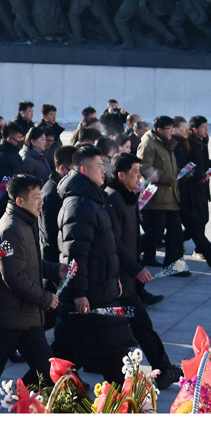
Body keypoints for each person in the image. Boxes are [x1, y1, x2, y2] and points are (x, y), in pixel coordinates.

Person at [0, 174, 61, 413]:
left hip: (25, 316)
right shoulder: (10, 229)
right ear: (19, 201)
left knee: (47, 370)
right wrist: (45, 298)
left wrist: (55, 269)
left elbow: (30, 262)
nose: (41, 202)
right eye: (36, 198)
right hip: (9, 316)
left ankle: (58, 409)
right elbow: (14, 277)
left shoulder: (24, 222)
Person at [52, 145, 137, 384]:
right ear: (83, 170)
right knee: (65, 359)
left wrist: (115, 277)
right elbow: (75, 253)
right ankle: (26, 397)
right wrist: (79, 293)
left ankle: (123, 405)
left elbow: (104, 248)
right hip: (89, 298)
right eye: (99, 166)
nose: (104, 171)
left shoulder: (93, 198)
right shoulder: (80, 204)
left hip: (101, 291)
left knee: (101, 354)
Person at [104, 153, 182, 389]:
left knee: (120, 328)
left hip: (126, 277)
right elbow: (114, 243)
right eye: (135, 172)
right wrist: (135, 268)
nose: (140, 176)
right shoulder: (114, 200)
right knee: (141, 325)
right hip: (119, 278)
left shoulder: (126, 197)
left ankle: (162, 368)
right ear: (121, 175)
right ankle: (164, 369)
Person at [137, 116, 188, 275]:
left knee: (175, 234)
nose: (172, 131)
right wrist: (168, 178)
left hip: (170, 197)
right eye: (169, 129)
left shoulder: (165, 142)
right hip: (156, 198)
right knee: (156, 235)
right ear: (159, 130)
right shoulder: (149, 143)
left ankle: (175, 266)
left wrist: (182, 172)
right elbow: (144, 168)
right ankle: (127, 251)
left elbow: (168, 166)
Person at [181, 116, 211, 267]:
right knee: (196, 223)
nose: (206, 130)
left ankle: (179, 240)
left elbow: (204, 162)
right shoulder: (189, 145)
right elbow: (187, 166)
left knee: (202, 220)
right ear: (194, 129)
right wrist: (200, 173)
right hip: (191, 190)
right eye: (203, 127)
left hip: (202, 189)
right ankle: (202, 250)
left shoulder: (202, 142)